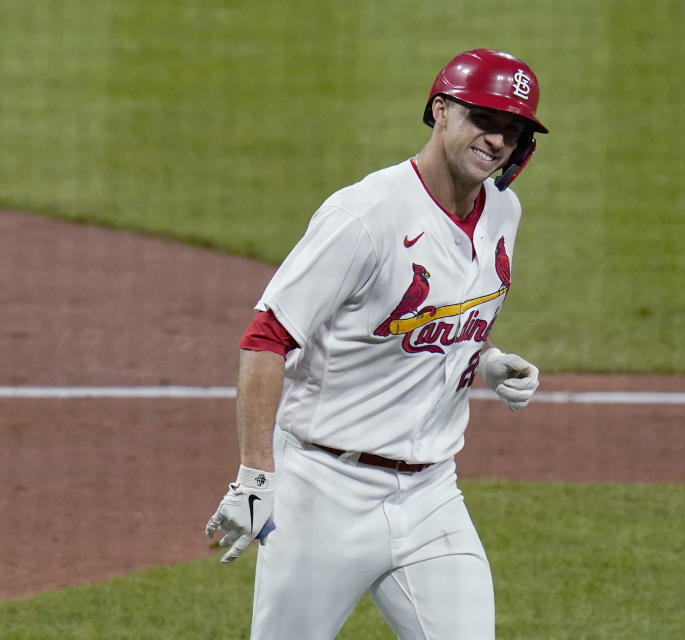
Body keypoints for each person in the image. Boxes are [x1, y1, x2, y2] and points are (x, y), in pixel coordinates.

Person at [205, 48, 549, 639]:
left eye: (512, 129)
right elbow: (266, 339)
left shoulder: (503, 210)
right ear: (440, 111)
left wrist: (486, 360)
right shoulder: (366, 216)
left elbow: (449, 313)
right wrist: (254, 477)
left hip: (432, 494)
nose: (496, 139)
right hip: (322, 492)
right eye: (484, 119)